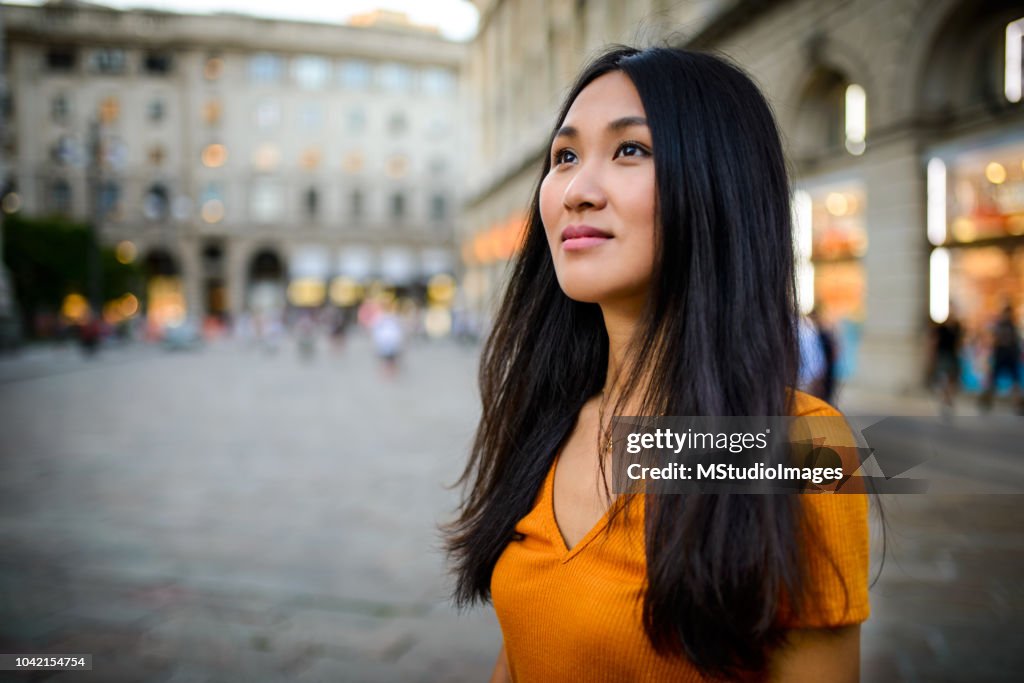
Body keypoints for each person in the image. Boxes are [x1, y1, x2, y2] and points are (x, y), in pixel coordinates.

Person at [446, 47, 869, 682]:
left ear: (718, 183)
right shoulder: (549, 418)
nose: (577, 191)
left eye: (630, 151)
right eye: (565, 157)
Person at [980, 304, 1022, 412]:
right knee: (996, 380)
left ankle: (1018, 404)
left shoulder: (1010, 326)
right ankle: (986, 401)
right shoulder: (1003, 326)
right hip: (1002, 356)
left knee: (1014, 381)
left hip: (1008, 356)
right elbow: (994, 340)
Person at [930, 310, 963, 416]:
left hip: (952, 356)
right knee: (944, 381)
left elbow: (959, 343)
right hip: (943, 355)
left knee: (951, 381)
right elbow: (935, 342)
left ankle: (948, 401)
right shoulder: (941, 328)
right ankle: (946, 401)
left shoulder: (957, 327)